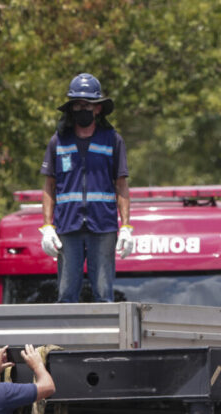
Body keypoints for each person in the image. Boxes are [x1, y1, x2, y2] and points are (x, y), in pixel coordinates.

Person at [40, 72, 133, 303]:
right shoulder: (58, 141)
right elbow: (49, 186)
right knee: (66, 293)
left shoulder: (112, 140)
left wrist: (127, 226)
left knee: (103, 293)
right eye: (78, 104)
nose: (82, 109)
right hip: (68, 227)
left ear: (98, 109)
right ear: (71, 108)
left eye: (87, 105)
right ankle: (64, 340)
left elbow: (121, 185)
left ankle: (106, 339)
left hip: (103, 227)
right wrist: (47, 226)